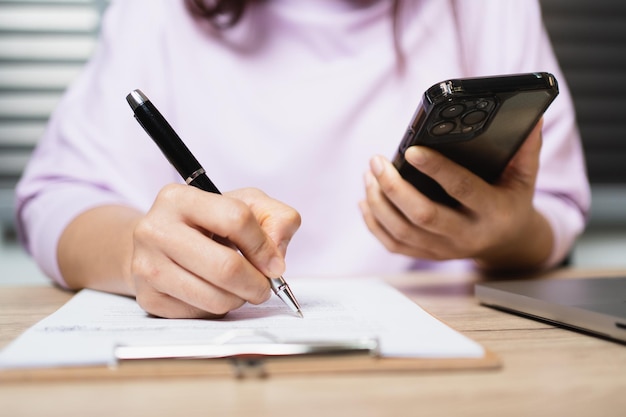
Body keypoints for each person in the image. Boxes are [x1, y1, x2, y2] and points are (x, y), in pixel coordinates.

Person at [15, 0, 590, 319]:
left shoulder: (489, 9)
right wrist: (136, 250)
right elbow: (53, 199)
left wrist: (504, 235)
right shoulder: (157, 15)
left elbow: (556, 212)